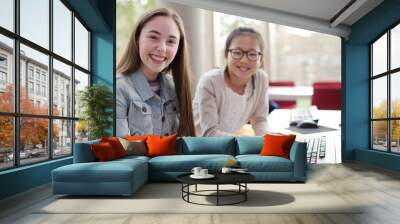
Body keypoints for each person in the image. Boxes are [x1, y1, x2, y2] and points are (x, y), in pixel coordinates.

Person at [116, 8, 195, 137]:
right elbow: (121, 149)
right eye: (153, 37)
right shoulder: (119, 88)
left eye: (170, 41)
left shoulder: (175, 87)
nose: (162, 48)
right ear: (137, 38)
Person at [193, 27, 269, 136]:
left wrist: (267, 142)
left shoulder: (261, 79)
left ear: (260, 59)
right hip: (197, 146)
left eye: (252, 54)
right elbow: (209, 133)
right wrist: (246, 143)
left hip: (228, 145)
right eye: (237, 53)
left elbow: (259, 120)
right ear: (226, 54)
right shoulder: (209, 81)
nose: (244, 60)